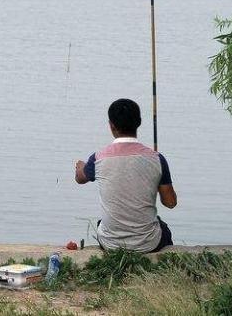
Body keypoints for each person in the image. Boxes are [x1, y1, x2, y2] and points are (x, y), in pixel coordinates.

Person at [74, 98, 177, 253]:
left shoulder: (98, 159)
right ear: (139, 122)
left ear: (111, 125)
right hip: (148, 243)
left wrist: (81, 167)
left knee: (102, 223)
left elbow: (80, 179)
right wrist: (155, 182)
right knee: (163, 228)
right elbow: (170, 203)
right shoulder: (157, 159)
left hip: (111, 243)